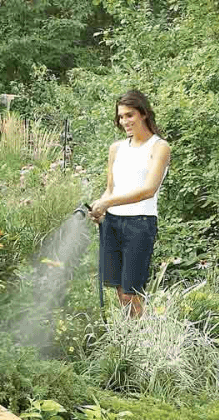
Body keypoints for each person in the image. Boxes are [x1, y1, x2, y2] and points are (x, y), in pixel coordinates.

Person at [89, 89, 170, 317]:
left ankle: (141, 342)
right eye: (121, 117)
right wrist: (100, 208)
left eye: (129, 115)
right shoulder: (116, 148)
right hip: (112, 222)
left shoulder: (159, 147)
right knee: (120, 291)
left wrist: (109, 202)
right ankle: (128, 341)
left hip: (139, 223)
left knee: (131, 291)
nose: (124, 121)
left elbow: (148, 190)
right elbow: (110, 188)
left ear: (143, 114)